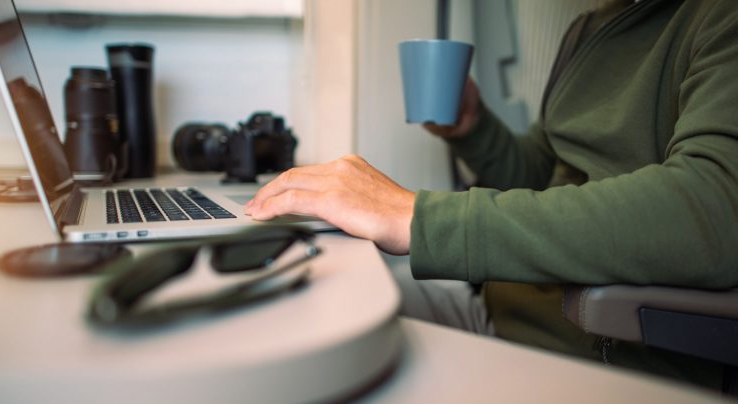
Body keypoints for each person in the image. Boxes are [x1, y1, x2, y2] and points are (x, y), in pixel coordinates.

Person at [245, 0, 738, 391]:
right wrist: (474, 128)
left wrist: (418, 217)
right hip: (504, 314)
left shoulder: (718, 17)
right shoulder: (590, 29)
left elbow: (716, 209)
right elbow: (543, 174)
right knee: (304, 305)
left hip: (587, 351)